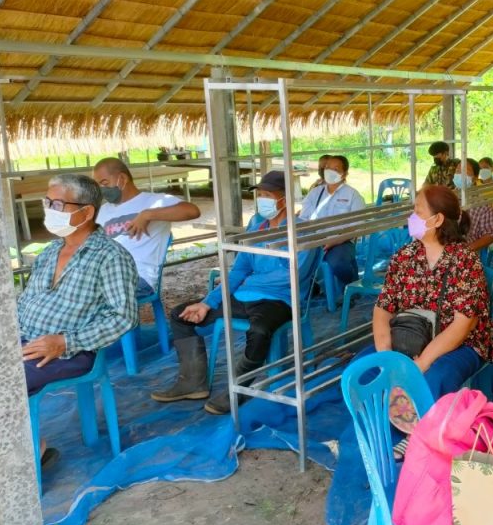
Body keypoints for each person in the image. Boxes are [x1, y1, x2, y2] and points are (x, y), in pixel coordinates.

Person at [152, 171, 319, 414]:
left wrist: (251, 281)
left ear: (284, 199)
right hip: (244, 295)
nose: (262, 200)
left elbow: (292, 276)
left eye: (268, 195)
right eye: (260, 195)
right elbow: (239, 269)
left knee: (260, 330)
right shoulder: (257, 229)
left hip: (280, 300)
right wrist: (208, 302)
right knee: (182, 314)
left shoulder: (302, 231)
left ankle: (239, 388)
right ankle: (193, 383)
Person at [18, 174, 138, 395]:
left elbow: (124, 317)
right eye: (47, 203)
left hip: (70, 351)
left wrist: (65, 342)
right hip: (24, 338)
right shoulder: (50, 251)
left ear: (87, 212)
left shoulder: (111, 256)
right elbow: (26, 300)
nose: (49, 210)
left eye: (57, 205)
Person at [371, 185, 493, 398]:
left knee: (432, 381)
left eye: (417, 211)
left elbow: (462, 326)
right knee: (365, 371)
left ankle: (417, 421)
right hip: (410, 336)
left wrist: (420, 364)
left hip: (459, 345)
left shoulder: (464, 260)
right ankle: (383, 419)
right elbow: (383, 308)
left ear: (437, 220)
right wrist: (387, 357)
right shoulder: (404, 256)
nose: (412, 217)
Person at [93, 157, 200, 297]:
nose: (101, 189)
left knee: (88, 297)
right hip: (105, 274)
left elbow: (192, 211)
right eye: (98, 185)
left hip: (138, 276)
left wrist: (148, 214)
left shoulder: (154, 201)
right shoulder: (102, 211)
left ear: (122, 179)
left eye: (104, 183)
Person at [298, 154, 365, 292]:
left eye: (336, 169)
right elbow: (304, 219)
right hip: (315, 240)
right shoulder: (315, 193)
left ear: (344, 173)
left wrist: (335, 241)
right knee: (295, 261)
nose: (330, 171)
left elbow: (357, 226)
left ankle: (351, 286)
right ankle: (308, 288)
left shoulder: (353, 195)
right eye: (328, 167)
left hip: (342, 241)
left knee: (338, 263)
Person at [456, 158, 493, 254]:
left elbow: (491, 234)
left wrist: (466, 251)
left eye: (465, 171)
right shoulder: (446, 197)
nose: (460, 174)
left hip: (465, 254)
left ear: (475, 177)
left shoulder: (483, 204)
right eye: (457, 170)